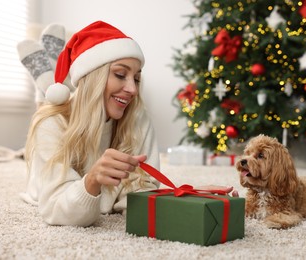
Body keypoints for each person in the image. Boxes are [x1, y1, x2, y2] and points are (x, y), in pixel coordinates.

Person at [20, 21, 237, 227]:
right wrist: (92, 181)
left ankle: (49, 72)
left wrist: (190, 198)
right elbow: (58, 210)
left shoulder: (136, 117)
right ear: (93, 77)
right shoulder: (51, 124)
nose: (132, 89)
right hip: (62, 125)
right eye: (120, 74)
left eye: (137, 79)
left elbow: (139, 194)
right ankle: (47, 78)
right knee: (49, 100)